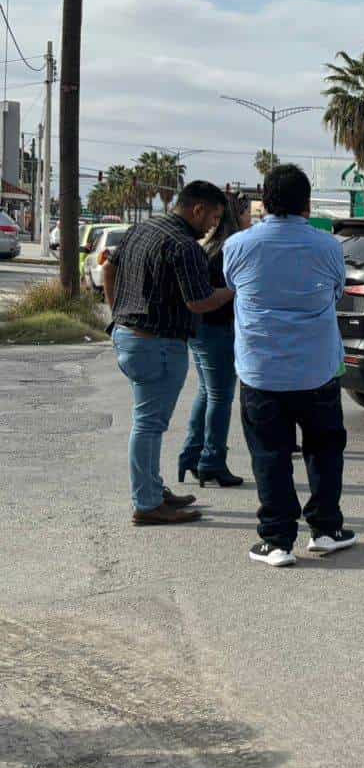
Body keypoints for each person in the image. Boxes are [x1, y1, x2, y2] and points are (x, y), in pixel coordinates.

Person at [224, 164, 355, 568]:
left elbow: (233, 286)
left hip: (261, 371)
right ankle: (327, 530)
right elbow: (337, 291)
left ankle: (277, 540)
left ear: (265, 201)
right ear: (307, 203)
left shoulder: (239, 245)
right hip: (317, 369)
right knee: (325, 450)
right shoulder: (328, 246)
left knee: (269, 454)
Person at [102, 180, 235, 525]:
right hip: (157, 344)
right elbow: (199, 301)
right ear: (198, 209)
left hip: (130, 337)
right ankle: (146, 504)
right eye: (213, 218)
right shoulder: (184, 245)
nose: (213, 226)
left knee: (149, 423)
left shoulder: (141, 228)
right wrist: (231, 291)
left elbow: (107, 269)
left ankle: (154, 489)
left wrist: (117, 313)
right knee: (148, 425)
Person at [177, 193, 251, 487]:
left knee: (207, 393)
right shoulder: (230, 248)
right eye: (247, 213)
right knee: (220, 396)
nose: (251, 219)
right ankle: (212, 460)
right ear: (237, 216)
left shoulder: (209, 244)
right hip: (217, 328)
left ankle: (192, 456)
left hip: (201, 329)